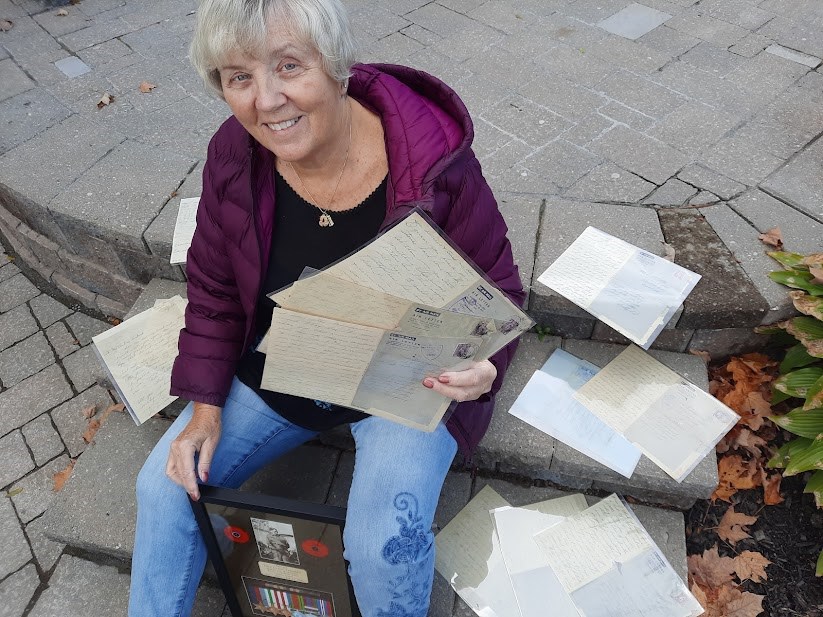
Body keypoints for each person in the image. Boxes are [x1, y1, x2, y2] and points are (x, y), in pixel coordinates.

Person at [128, 0, 525, 615]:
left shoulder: (432, 162)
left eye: (289, 66)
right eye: (239, 77)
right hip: (281, 369)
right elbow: (212, 288)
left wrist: (484, 368)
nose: (266, 100)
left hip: (405, 380)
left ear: (336, 67)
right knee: (163, 489)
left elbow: (498, 285)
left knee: (380, 544)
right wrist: (205, 410)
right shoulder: (234, 156)